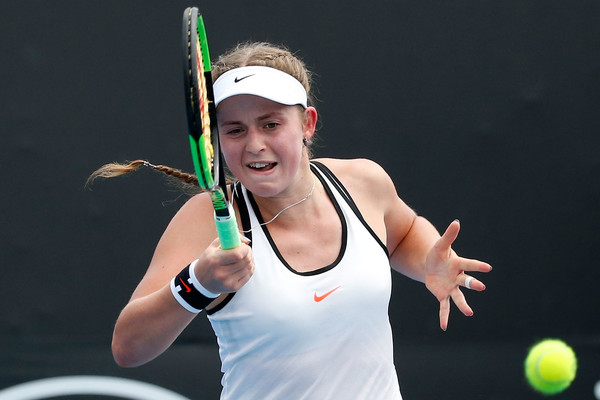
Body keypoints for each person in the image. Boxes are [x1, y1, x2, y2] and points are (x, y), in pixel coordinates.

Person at [91, 42, 492, 399]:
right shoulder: (206, 219)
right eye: (234, 129)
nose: (254, 144)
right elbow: (128, 347)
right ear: (216, 141)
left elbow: (403, 234)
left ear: (307, 124)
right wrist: (197, 284)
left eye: (271, 123)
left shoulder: (363, 182)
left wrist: (428, 262)